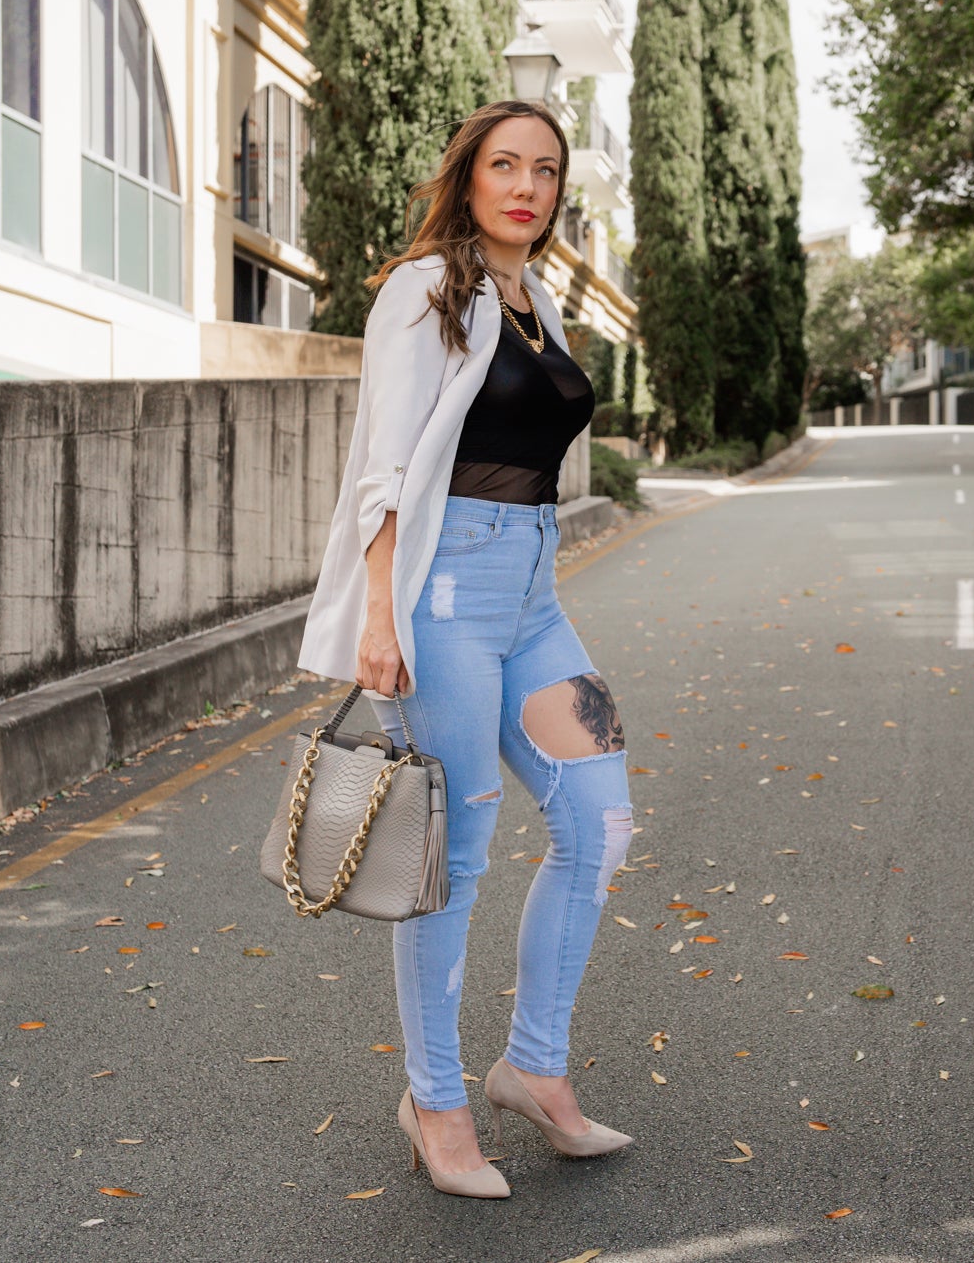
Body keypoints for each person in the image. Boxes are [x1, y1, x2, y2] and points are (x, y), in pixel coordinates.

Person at [295, 99, 637, 1199]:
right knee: (455, 856)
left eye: (544, 169)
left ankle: (532, 1070)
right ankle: (434, 1099)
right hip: (442, 593)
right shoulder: (424, 287)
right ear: (469, 175)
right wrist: (381, 616)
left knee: (599, 817)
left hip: (533, 590)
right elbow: (386, 466)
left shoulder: (537, 297)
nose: (525, 184)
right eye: (504, 164)